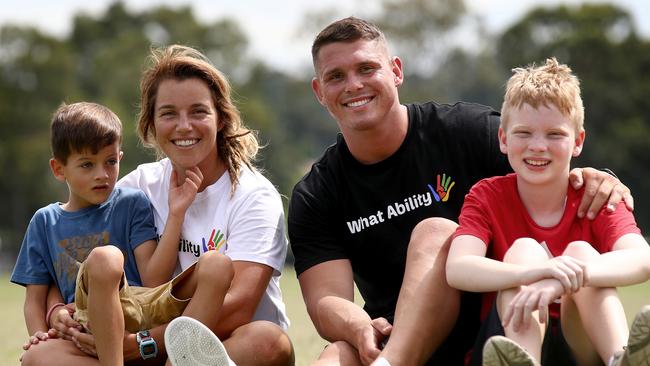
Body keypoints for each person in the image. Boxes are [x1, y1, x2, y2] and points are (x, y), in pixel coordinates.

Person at [288, 16, 634, 366]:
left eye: (366, 68)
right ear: (319, 92)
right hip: (392, 336)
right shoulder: (317, 193)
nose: (354, 85)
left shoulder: (468, 132)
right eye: (336, 76)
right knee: (335, 356)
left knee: (437, 230)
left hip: (501, 328)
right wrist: (358, 325)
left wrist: (595, 177)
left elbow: (542, 152)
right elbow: (326, 300)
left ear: (396, 71)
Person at [22, 45, 294, 365]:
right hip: (137, 339)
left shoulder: (253, 195)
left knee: (267, 341)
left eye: (198, 111)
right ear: (151, 124)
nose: (183, 126)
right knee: (40, 357)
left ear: (221, 118)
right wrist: (55, 311)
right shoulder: (137, 186)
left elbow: (239, 305)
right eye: (168, 114)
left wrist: (143, 344)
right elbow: (69, 253)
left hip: (223, 339)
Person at [445, 58, 650, 366]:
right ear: (503, 139)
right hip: (509, 333)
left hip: (580, 345)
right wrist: (535, 272)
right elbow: (458, 268)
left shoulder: (597, 195)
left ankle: (620, 359)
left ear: (578, 142)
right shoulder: (487, 194)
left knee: (581, 252)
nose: (538, 146)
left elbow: (643, 260)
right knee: (524, 251)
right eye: (524, 133)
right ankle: (522, 361)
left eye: (554, 134)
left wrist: (563, 278)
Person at [12, 101, 235, 366]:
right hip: (88, 326)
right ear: (59, 169)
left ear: (119, 157)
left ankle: (180, 360)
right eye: (87, 165)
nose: (102, 175)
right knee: (36, 357)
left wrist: (177, 214)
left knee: (217, 265)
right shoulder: (45, 221)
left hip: (140, 311)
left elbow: (154, 279)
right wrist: (41, 335)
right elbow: (34, 299)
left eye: (109, 162)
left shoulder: (132, 203)